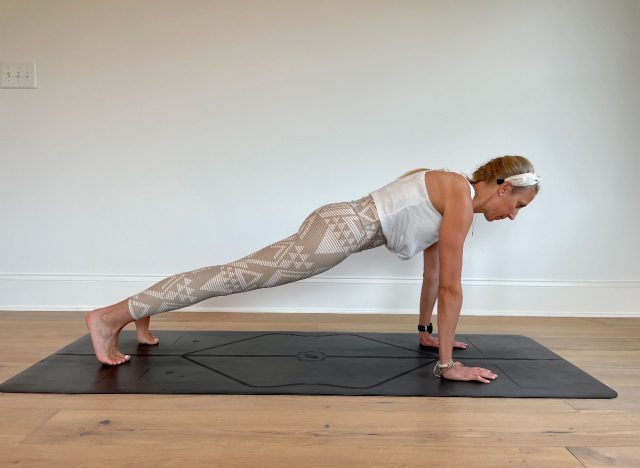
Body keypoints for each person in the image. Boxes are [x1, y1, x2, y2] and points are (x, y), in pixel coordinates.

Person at [86, 155, 540, 383]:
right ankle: (110, 316)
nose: (514, 216)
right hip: (336, 233)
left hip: (337, 224)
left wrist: (425, 330)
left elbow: (433, 274)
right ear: (501, 188)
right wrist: (447, 365)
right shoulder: (458, 196)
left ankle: (142, 309)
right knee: (238, 276)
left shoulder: (454, 195)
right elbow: (451, 288)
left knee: (236, 271)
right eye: (517, 205)